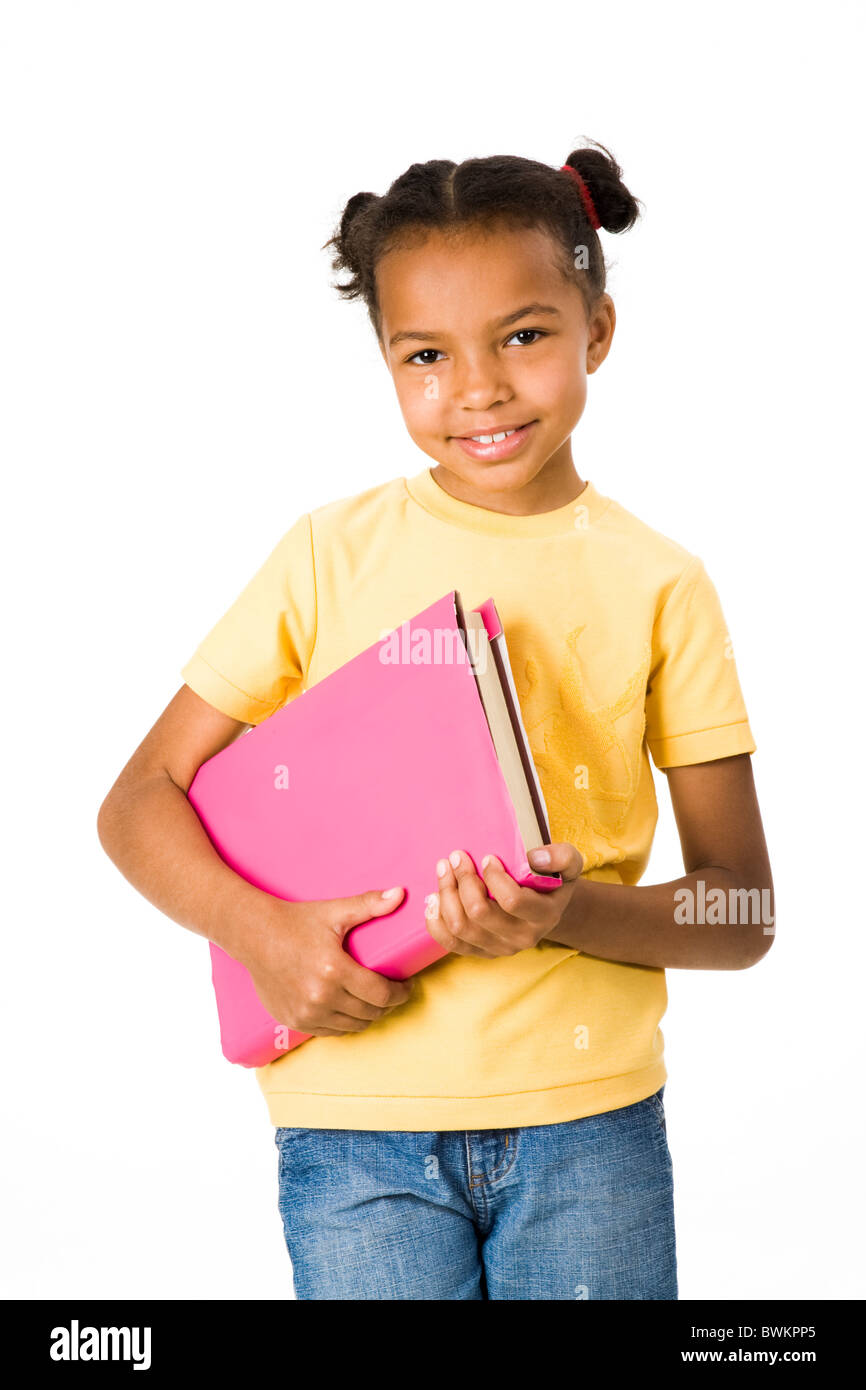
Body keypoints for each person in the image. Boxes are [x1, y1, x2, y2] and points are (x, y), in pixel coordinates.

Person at [97, 141, 774, 1301]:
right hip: (350, 1133)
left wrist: (564, 913)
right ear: (386, 365)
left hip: (586, 1129)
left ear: (595, 331)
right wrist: (264, 937)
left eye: (523, 334)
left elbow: (740, 909)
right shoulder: (326, 554)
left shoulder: (661, 582)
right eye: (425, 354)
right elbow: (134, 804)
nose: (477, 388)